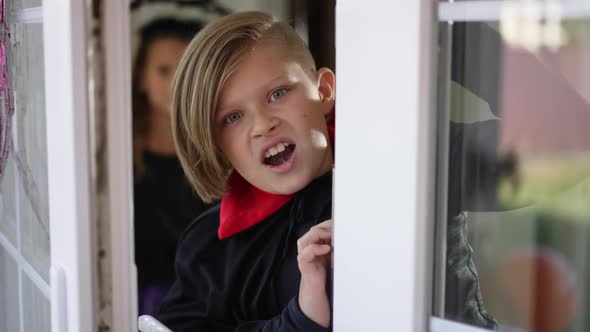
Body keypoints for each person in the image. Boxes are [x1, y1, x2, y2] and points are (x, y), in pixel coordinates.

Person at [157, 11, 495, 331]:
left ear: (325, 91)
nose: (263, 125)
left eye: (277, 93)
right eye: (232, 117)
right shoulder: (207, 246)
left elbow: (533, 150)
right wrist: (301, 319)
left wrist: (445, 33)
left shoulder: (405, 162)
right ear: (215, 142)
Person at [132, 17, 213, 315]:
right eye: (164, 70)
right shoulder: (115, 159)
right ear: (142, 77)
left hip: (206, 307)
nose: (175, 83)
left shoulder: (219, 153)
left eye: (185, 70)